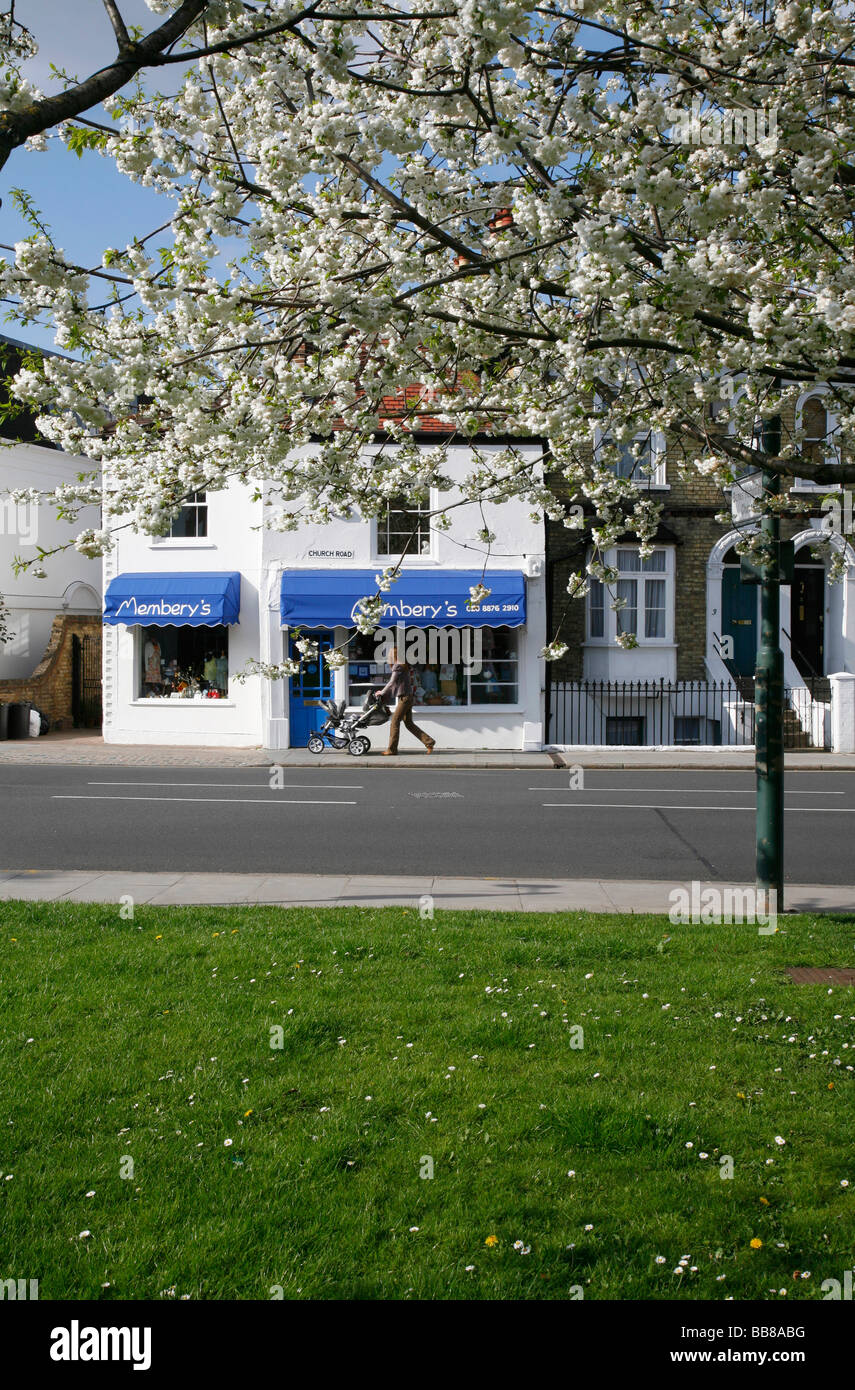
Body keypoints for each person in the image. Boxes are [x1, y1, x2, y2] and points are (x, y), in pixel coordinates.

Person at [376, 648, 436, 756]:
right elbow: (394, 684)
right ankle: (429, 742)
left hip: (405, 698)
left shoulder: (398, 666)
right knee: (408, 723)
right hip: (407, 697)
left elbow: (391, 682)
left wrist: (382, 692)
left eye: (388, 656)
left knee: (394, 722)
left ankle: (392, 750)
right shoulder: (403, 665)